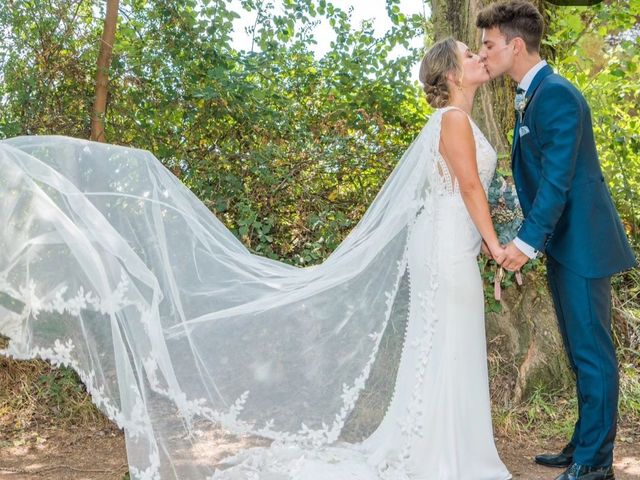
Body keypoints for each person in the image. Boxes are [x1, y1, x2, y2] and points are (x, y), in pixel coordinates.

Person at [0, 39, 509, 480]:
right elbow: (467, 187)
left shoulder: (454, 120)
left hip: (447, 243)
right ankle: (443, 453)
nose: (476, 56)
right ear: (450, 72)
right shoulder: (454, 120)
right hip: (446, 247)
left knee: (445, 342)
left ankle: (446, 446)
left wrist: (489, 236)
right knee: (445, 341)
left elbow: (470, 189)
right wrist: (496, 246)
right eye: (469, 53)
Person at [477, 2, 636, 480]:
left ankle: (594, 463)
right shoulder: (535, 93)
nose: (484, 54)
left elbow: (557, 182)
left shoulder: (557, 95)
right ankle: (585, 443)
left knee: (591, 351)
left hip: (584, 244)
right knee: (576, 348)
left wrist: (524, 244)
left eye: (489, 45)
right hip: (565, 243)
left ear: (515, 45)